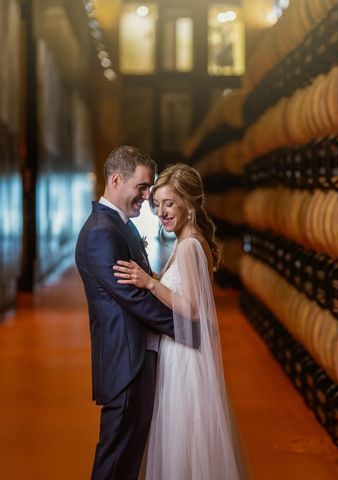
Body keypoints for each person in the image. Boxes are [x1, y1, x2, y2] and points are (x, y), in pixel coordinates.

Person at [113, 163, 242, 480]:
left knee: (181, 436)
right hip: (186, 350)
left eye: (169, 203)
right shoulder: (192, 240)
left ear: (190, 203)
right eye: (157, 205)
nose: (161, 212)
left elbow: (194, 308)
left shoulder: (189, 246)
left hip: (183, 355)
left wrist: (149, 283)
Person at [75, 146, 197, 480]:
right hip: (125, 365)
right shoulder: (102, 232)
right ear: (116, 180)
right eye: (142, 187)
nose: (147, 196)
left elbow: (143, 287)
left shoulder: (119, 226)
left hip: (136, 359)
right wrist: (188, 330)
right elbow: (134, 298)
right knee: (115, 463)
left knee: (127, 462)